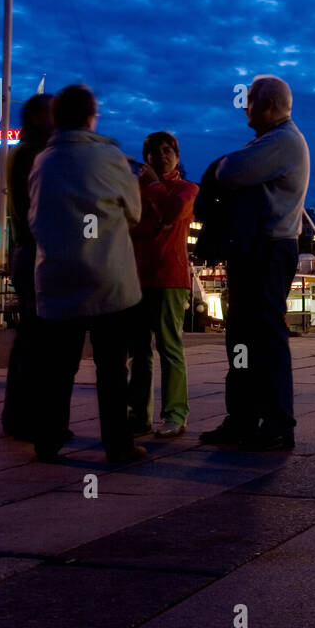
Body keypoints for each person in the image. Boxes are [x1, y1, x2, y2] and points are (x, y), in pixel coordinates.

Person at [28, 84, 146, 464]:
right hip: (106, 274)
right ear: (91, 116)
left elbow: (33, 217)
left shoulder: (43, 161)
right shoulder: (110, 157)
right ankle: (118, 442)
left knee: (57, 367)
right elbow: (135, 212)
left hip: (57, 274)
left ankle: (48, 437)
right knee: (112, 366)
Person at [199, 75, 309, 451]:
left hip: (267, 250)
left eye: (250, 102)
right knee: (244, 335)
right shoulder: (274, 142)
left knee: (261, 335)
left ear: (268, 106)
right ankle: (246, 416)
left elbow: (229, 172)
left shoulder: (281, 143)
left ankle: (275, 421)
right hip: (259, 250)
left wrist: (216, 169)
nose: (244, 108)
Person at [127, 131, 199, 438]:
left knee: (170, 346)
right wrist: (158, 221)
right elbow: (130, 224)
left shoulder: (187, 188)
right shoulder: (136, 190)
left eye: (168, 150)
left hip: (170, 276)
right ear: (146, 158)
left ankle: (175, 414)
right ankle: (138, 415)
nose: (162, 156)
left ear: (177, 156)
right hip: (138, 277)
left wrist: (155, 189)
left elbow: (172, 212)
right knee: (139, 350)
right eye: (155, 152)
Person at [1, 93, 54, 442]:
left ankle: (19, 414)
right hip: (36, 252)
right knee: (40, 338)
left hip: (25, 251)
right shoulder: (35, 156)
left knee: (30, 337)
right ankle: (27, 416)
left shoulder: (20, 152)